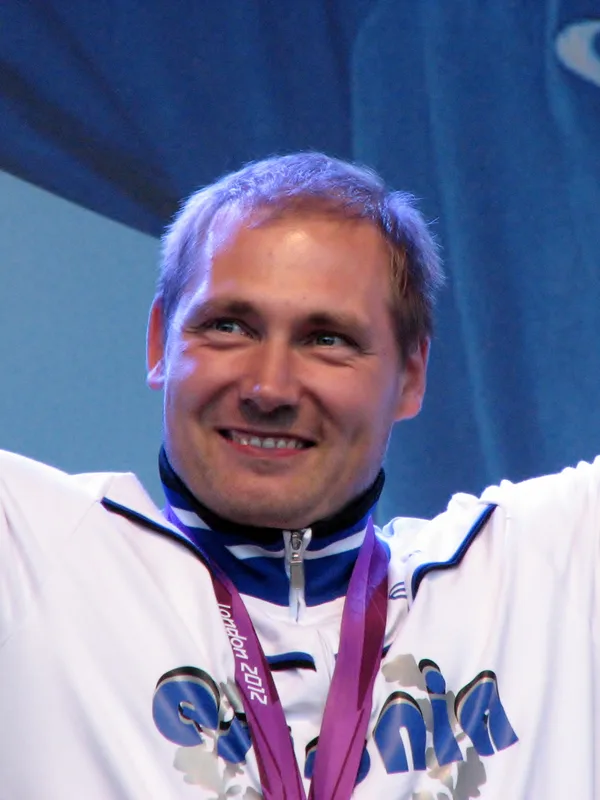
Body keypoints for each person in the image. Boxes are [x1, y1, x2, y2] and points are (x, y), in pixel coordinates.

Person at [0, 152, 598, 800]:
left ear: (411, 376)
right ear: (158, 343)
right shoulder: (33, 552)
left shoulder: (543, 575)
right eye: (228, 327)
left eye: (327, 339)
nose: (270, 388)